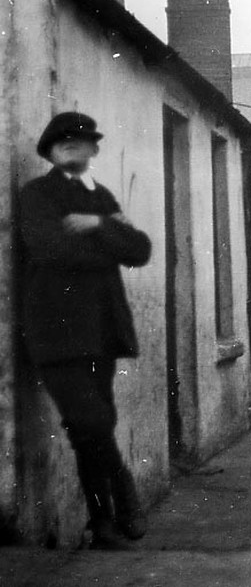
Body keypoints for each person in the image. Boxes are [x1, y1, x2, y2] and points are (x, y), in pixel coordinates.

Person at [19, 112, 152, 549]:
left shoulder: (101, 199)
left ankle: (104, 525)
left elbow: (140, 250)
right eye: (64, 144)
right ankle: (124, 491)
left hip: (101, 329)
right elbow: (50, 248)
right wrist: (110, 242)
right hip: (55, 331)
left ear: (94, 150)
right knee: (91, 422)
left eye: (82, 142)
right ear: (51, 152)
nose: (74, 148)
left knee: (90, 429)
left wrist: (98, 226)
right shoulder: (37, 194)